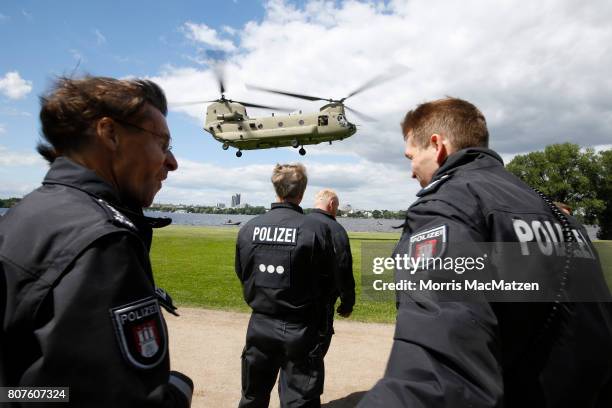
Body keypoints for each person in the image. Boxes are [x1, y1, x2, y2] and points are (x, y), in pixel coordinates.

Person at [358, 97, 612, 407]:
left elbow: (439, 378)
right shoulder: (551, 212)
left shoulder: (450, 205)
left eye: (411, 156)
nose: (411, 171)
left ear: (437, 145)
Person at [0, 76, 193, 407]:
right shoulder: (102, 240)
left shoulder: (23, 216)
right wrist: (175, 390)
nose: (172, 163)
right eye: (163, 144)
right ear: (110, 134)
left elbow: (34, 390)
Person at [235, 163, 336, 408]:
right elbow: (329, 282)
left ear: (277, 190)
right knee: (299, 400)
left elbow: (242, 271)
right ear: (301, 192)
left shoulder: (249, 228)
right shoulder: (316, 229)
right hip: (300, 327)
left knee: (252, 396)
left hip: (260, 323)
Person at [307, 189, 355, 355]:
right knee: (314, 357)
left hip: (293, 302)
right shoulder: (336, 229)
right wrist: (347, 302)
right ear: (332, 204)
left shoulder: (300, 223)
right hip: (322, 304)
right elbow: (343, 267)